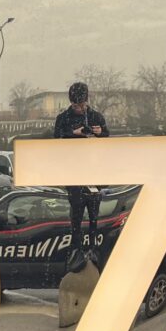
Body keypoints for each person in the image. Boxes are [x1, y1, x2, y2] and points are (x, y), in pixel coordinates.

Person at [53, 81, 109, 263]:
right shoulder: (63, 119)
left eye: (82, 105)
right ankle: (76, 250)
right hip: (74, 173)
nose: (80, 108)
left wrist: (100, 133)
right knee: (76, 214)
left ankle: (93, 249)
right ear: (71, 103)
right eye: (76, 105)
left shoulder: (96, 117)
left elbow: (108, 142)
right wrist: (73, 133)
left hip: (93, 172)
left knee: (94, 214)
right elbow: (56, 141)